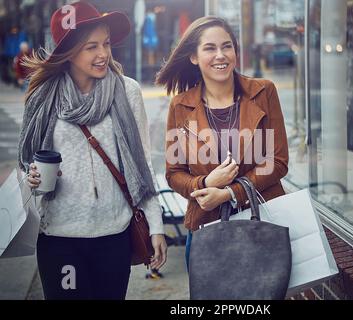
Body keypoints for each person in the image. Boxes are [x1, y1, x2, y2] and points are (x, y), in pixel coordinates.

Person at [18, 2, 167, 300]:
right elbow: (27, 164)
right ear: (68, 52)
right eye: (91, 47)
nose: (103, 54)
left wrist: (156, 226)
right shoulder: (41, 96)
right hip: (60, 238)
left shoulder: (127, 92)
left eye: (106, 43)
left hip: (114, 236)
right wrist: (30, 179)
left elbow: (142, 164)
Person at [156, 16, 289, 270]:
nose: (221, 55)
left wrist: (229, 193)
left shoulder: (264, 92)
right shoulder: (180, 106)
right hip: (206, 228)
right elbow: (174, 174)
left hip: (260, 221)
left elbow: (278, 162)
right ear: (194, 57)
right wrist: (205, 184)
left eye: (227, 46)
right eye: (210, 48)